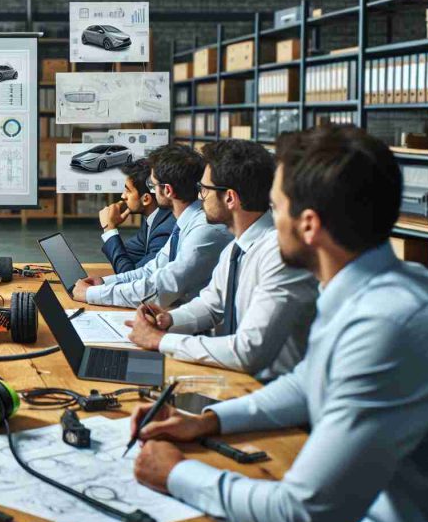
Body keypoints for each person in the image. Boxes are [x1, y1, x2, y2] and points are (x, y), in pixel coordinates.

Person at [132, 125, 428, 522]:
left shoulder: (386, 324)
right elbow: (308, 382)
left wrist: (177, 473)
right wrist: (207, 420)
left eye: (276, 208)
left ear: (309, 225)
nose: (268, 221)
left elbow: (302, 518)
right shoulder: (378, 288)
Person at [125, 140, 318, 382]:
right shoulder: (236, 248)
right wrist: (169, 320)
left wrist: (161, 340)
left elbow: (248, 350)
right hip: (237, 379)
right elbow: (210, 305)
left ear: (230, 198)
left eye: (204, 189)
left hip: (268, 387)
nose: (199, 196)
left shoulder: (279, 254)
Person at [74, 143, 232, 307]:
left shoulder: (204, 229)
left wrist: (90, 294)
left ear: (167, 190)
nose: (152, 192)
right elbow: (150, 271)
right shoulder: (185, 223)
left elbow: (161, 290)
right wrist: (103, 282)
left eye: (152, 185)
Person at [100, 158, 175, 274]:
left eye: (128, 191)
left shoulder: (165, 230)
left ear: (146, 199)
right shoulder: (153, 219)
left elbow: (128, 273)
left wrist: (109, 229)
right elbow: (126, 255)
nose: (122, 196)